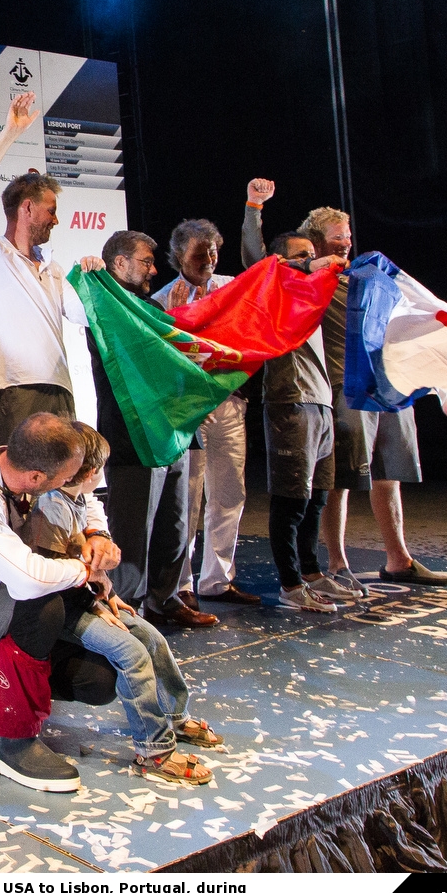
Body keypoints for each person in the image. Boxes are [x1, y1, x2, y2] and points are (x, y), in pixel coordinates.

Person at [0, 422, 224, 785]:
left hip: (80, 598)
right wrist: (94, 590)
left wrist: (101, 566)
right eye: (74, 474)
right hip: (54, 605)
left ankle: (174, 716)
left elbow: (89, 508)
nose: (74, 480)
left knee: (151, 638)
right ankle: (154, 750)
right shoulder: (47, 504)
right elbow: (40, 578)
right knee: (131, 653)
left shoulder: (69, 495)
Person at [295, 201, 447, 592]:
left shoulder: (367, 275)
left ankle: (398, 559)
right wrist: (255, 210)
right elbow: (266, 263)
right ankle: (337, 564)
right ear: (316, 242)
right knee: (340, 478)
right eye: (337, 238)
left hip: (387, 384)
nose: (345, 244)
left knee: (388, 474)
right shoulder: (309, 280)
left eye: (348, 237)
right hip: (348, 386)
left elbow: (415, 307)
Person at [0, 93, 104, 447]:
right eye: (50, 210)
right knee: (22, 480)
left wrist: (96, 278)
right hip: (15, 390)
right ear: (26, 209)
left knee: (63, 479)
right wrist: (9, 133)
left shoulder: (54, 269)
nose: (56, 219)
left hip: (61, 390)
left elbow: (84, 315)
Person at [91, 231, 219, 629]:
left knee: (175, 525)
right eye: (145, 262)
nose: (154, 269)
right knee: (133, 531)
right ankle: (125, 607)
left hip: (172, 433)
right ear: (119, 263)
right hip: (133, 436)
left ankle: (165, 599)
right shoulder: (105, 304)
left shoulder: (152, 307)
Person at [239, 190, 350, 612]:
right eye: (301, 256)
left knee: (317, 496)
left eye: (312, 254)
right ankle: (290, 585)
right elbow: (260, 260)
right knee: (292, 500)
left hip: (321, 403)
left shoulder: (315, 293)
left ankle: (313, 573)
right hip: (290, 402)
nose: (312, 261)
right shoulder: (277, 288)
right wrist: (254, 208)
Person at [152, 219, 259, 607]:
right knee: (188, 499)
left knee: (229, 492)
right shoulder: (163, 299)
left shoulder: (231, 287)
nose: (209, 259)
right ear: (180, 255)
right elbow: (161, 360)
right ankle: (181, 585)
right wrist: (177, 314)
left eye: (213, 251)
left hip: (228, 403)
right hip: (189, 411)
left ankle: (218, 579)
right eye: (200, 253)